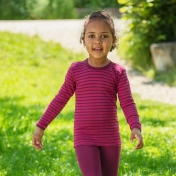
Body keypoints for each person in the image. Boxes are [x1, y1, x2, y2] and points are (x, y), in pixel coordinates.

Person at [32, 11, 144, 176]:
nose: (97, 41)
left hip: (110, 138)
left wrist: (135, 126)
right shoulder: (76, 70)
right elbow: (60, 99)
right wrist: (41, 126)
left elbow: (127, 102)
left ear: (113, 40)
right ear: (83, 40)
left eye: (104, 36)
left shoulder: (118, 72)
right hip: (84, 138)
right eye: (91, 36)